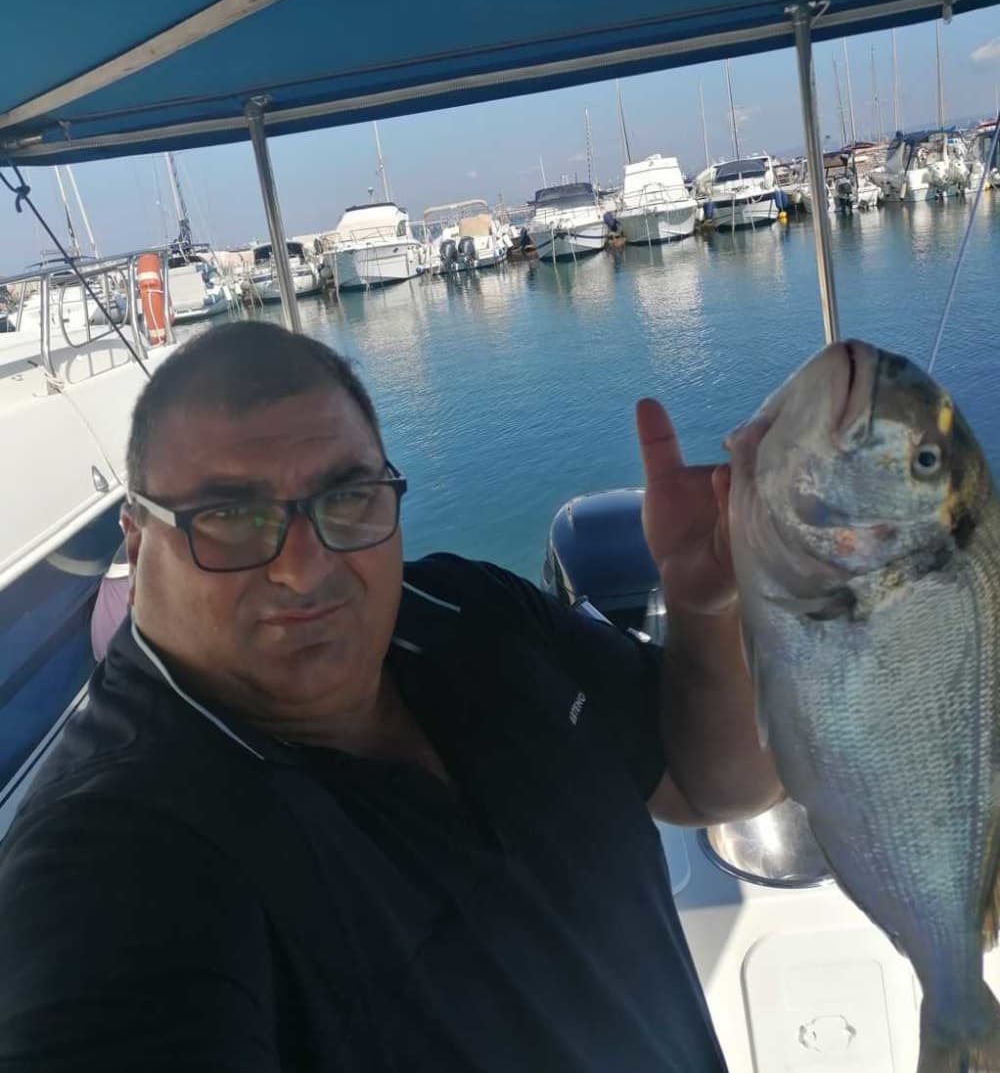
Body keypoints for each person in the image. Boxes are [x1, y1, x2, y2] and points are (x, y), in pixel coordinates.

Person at [0, 321, 780, 1073]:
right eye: (230, 517)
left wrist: (704, 605)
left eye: (347, 498)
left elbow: (710, 786)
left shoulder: (472, 610)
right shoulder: (113, 851)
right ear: (138, 541)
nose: (304, 569)